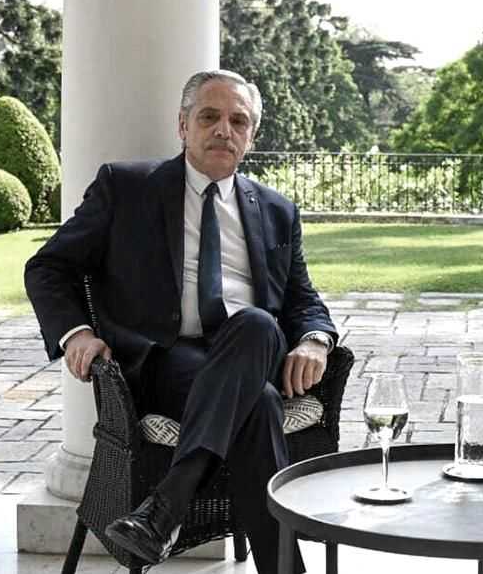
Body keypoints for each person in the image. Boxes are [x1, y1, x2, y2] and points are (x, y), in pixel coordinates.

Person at [24, 69, 337, 574]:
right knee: (258, 405)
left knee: (257, 325)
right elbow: (47, 267)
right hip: (166, 364)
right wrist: (76, 333)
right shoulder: (127, 188)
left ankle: (165, 507)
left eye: (238, 121)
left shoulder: (277, 210)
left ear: (252, 135)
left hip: (254, 349)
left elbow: (303, 298)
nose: (224, 130)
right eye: (209, 117)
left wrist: (316, 340)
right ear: (183, 125)